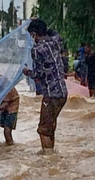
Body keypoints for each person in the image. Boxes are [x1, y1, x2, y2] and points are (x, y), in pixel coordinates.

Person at [22, 19, 68, 151]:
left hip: (50, 94)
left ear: (35, 34)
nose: (32, 38)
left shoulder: (37, 50)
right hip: (63, 93)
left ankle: (48, 160)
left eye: (32, 35)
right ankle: (52, 155)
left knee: (43, 130)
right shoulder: (55, 42)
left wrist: (27, 72)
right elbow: (55, 33)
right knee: (50, 126)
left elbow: (38, 73)